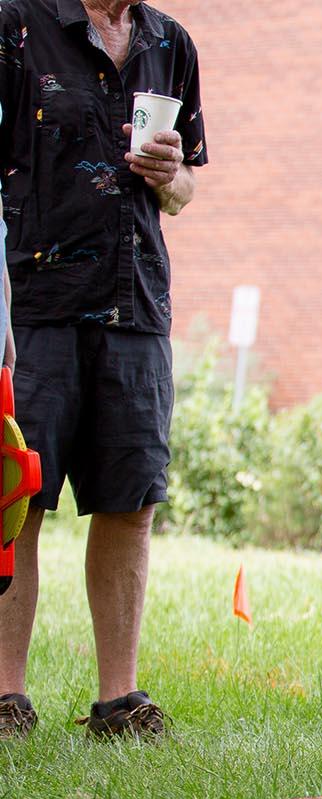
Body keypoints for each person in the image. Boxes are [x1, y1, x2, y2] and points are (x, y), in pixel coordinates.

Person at [0, 0, 207, 741]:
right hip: (29, 309)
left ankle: (118, 702)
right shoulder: (16, 25)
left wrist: (170, 175)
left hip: (136, 307)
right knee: (13, 501)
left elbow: (182, 195)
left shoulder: (168, 42)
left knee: (130, 500)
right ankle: (5, 699)